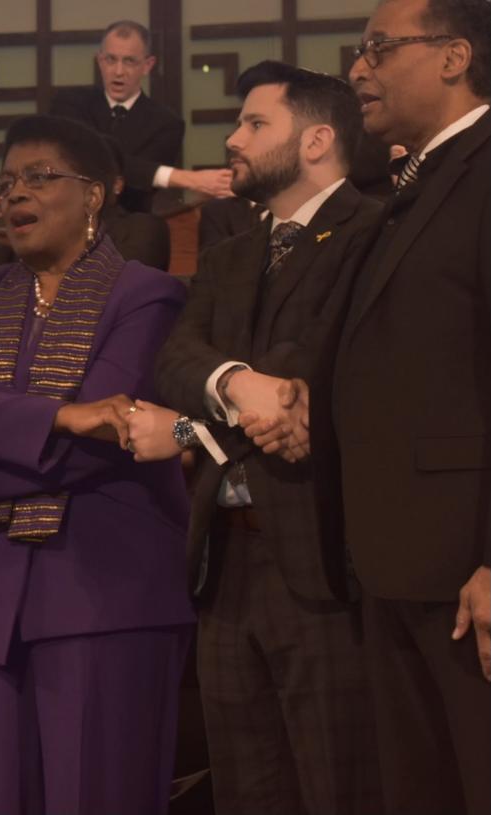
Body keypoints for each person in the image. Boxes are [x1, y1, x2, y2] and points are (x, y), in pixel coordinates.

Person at [134, 60, 382, 815]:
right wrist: (239, 387)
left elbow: (320, 357)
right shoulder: (230, 252)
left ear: (314, 141)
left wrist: (251, 389)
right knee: (245, 787)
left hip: (324, 553)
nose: (231, 139)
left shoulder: (372, 231)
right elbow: (175, 361)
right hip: (223, 556)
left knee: (338, 783)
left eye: (253, 124)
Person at [0, 115, 192, 814]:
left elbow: (105, 434)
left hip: (103, 596)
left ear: (96, 194)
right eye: (7, 180)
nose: (15, 193)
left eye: (39, 176)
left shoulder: (146, 294)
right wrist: (60, 414)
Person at [313, 1, 491, 810]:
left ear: (454, 57)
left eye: (379, 49)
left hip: (467, 572)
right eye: (358, 51)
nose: (358, 69)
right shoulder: (401, 186)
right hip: (391, 559)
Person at [50, 21, 231, 212]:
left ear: (147, 65)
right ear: (100, 61)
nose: (118, 71)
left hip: (127, 221)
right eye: (111, 59)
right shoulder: (70, 103)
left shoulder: (167, 124)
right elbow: (79, 159)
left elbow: (134, 185)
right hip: (69, 213)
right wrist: (185, 178)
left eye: (129, 61)